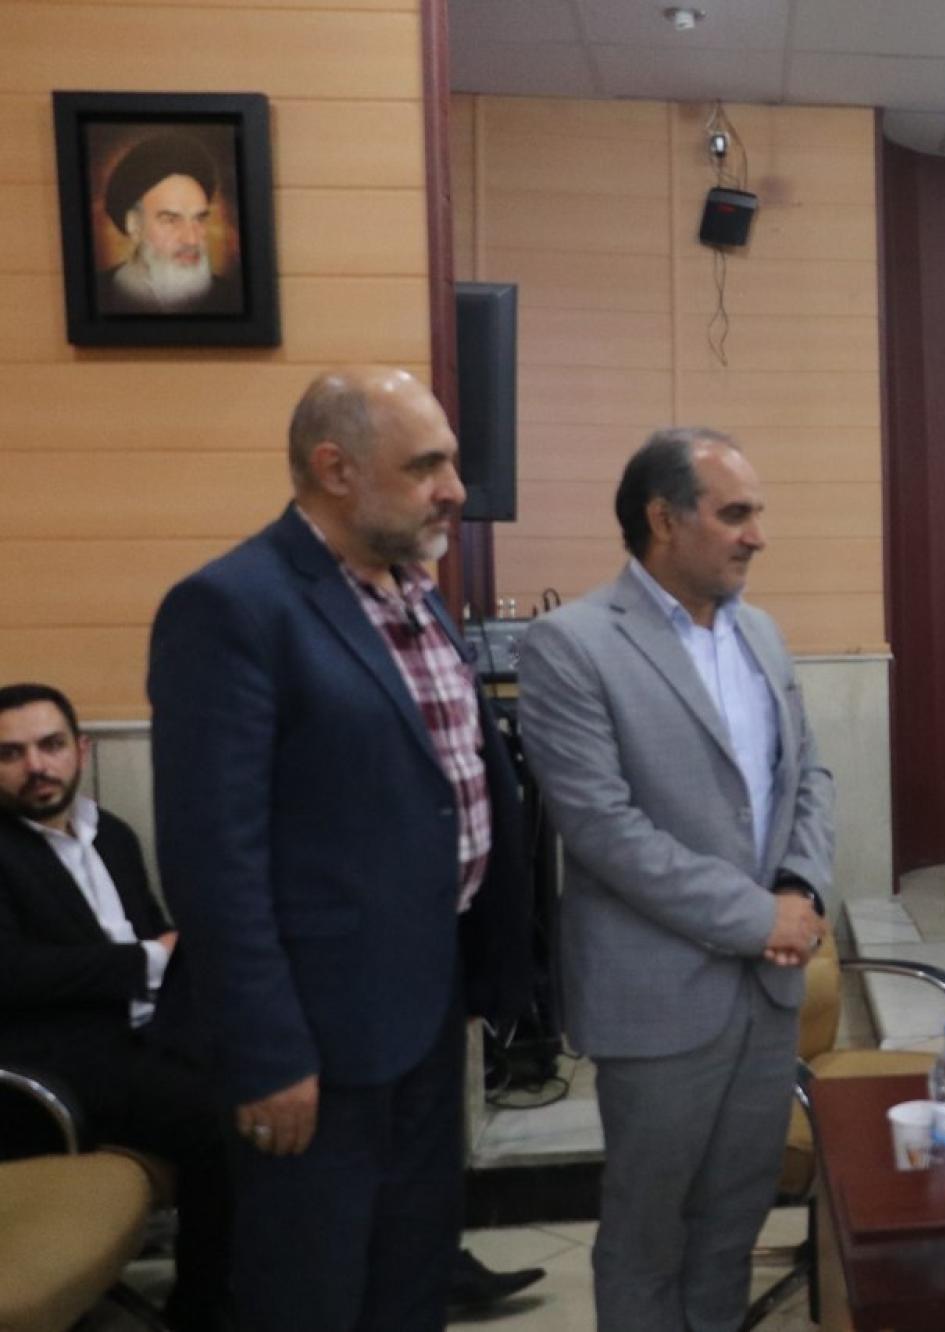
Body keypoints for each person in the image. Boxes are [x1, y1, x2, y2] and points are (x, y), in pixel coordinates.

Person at [147, 366, 532, 1331]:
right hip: (312, 1041)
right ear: (335, 468)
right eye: (426, 465)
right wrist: (269, 1054)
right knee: (311, 1294)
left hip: (424, 1009)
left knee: (410, 1278)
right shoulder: (233, 606)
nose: (454, 488)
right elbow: (214, 862)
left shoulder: (414, 592)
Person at [515, 428, 833, 1332]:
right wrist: (758, 916)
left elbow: (808, 775)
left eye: (757, 513)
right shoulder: (571, 644)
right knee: (648, 1234)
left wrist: (803, 890)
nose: (758, 535)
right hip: (659, 994)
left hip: (767, 991)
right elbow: (604, 829)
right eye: (735, 514)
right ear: (663, 520)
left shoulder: (761, 633)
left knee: (733, 1223)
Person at [0, 682, 229, 1331]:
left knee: (276, 1071)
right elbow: (11, 973)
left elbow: (157, 933)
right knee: (222, 1115)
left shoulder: (113, 835)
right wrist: (147, 960)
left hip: (149, 1034)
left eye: (50, 745)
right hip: (53, 1062)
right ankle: (208, 1312)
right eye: (11, 753)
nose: (36, 765)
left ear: (82, 749)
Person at [95, 131, 242, 316]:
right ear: (134, 225)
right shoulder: (98, 295)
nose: (191, 239)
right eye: (171, 220)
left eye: (199, 218)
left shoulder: (231, 299)